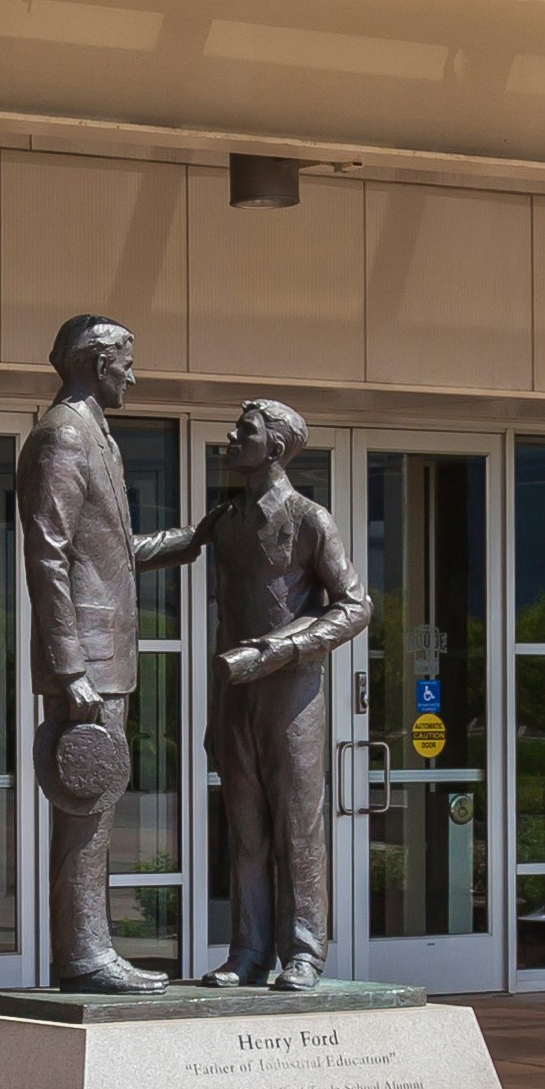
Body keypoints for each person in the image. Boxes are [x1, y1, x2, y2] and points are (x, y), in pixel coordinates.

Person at [15, 316, 202, 993]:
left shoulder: (93, 434)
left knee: (93, 808)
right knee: (85, 807)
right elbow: (48, 553)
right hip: (85, 661)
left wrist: (185, 540)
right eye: (126, 360)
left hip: (102, 655)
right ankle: (83, 955)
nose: (134, 373)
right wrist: (69, 668)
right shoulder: (63, 435)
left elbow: (105, 556)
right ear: (95, 362)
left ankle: (90, 949)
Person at [191, 400, 369, 987]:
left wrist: (279, 650)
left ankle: (304, 951)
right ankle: (248, 952)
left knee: (298, 824)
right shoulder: (228, 519)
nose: (230, 437)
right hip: (236, 695)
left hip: (291, 694)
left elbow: (354, 606)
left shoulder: (308, 518)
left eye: (244, 432)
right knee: (245, 828)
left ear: (274, 447)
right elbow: (177, 546)